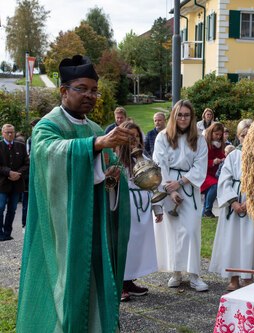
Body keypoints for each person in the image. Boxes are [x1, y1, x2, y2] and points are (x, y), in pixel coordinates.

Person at [16, 55, 135, 332]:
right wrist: (93, 145)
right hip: (61, 231)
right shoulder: (49, 126)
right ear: (64, 91)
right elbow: (49, 154)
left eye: (94, 90)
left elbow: (105, 177)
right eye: (82, 88)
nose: (91, 96)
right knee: (65, 290)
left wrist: (113, 180)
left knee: (93, 288)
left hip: (93, 231)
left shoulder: (94, 129)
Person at [153, 99, 209, 292]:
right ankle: (176, 271)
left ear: (192, 117)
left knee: (192, 230)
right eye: (180, 115)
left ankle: (194, 274)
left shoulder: (199, 139)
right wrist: (171, 189)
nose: (183, 118)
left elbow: (200, 165)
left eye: (187, 115)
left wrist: (182, 182)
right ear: (174, 116)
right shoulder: (163, 136)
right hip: (168, 187)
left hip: (189, 187)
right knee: (174, 231)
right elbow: (159, 164)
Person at [209, 119, 254, 291]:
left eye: (250, 135)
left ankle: (247, 276)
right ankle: (233, 277)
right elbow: (224, 180)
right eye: (243, 135)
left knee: (250, 241)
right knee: (233, 241)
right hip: (233, 204)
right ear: (238, 137)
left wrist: (251, 201)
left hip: (251, 203)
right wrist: (233, 201)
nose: (246, 138)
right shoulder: (233, 156)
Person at [117, 121, 163, 302]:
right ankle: (119, 284)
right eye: (129, 137)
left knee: (137, 248)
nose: (133, 140)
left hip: (142, 209)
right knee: (124, 247)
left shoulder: (144, 158)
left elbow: (154, 185)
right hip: (125, 207)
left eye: (136, 136)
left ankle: (129, 281)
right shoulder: (116, 158)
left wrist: (157, 208)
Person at [0, 124, 29, 241]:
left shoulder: (21, 146)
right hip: (2, 184)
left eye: (12, 132)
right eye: (7, 132)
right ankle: (0, 233)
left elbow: (27, 163)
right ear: (2, 133)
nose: (10, 134)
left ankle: (7, 233)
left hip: (17, 184)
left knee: (12, 209)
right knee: (0, 208)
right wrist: (9, 172)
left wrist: (18, 173)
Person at [200, 122, 226, 218]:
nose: (218, 137)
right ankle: (207, 210)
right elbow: (200, 161)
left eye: (220, 135)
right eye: (216, 134)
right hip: (204, 174)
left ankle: (205, 213)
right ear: (211, 133)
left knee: (210, 192)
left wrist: (224, 159)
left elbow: (222, 155)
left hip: (213, 174)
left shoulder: (219, 145)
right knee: (214, 185)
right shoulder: (204, 144)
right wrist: (213, 162)